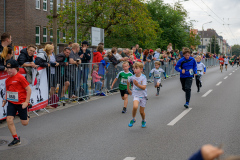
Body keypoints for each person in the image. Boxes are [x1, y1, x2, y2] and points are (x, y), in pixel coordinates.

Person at [2, 59, 31, 147]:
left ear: (16, 68)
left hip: (21, 103)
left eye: (11, 68)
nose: (9, 70)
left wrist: (26, 102)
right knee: (9, 120)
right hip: (11, 103)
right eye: (7, 68)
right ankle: (16, 139)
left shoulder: (20, 77)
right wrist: (5, 100)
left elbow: (29, 89)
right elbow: (8, 91)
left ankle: (27, 112)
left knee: (24, 123)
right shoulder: (7, 80)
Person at [127, 62, 147, 128]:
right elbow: (128, 80)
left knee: (141, 112)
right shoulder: (132, 77)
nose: (135, 70)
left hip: (143, 95)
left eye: (136, 68)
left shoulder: (143, 77)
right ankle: (133, 119)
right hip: (136, 94)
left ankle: (143, 120)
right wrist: (128, 89)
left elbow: (144, 87)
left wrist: (137, 85)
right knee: (135, 106)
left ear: (141, 69)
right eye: (134, 68)